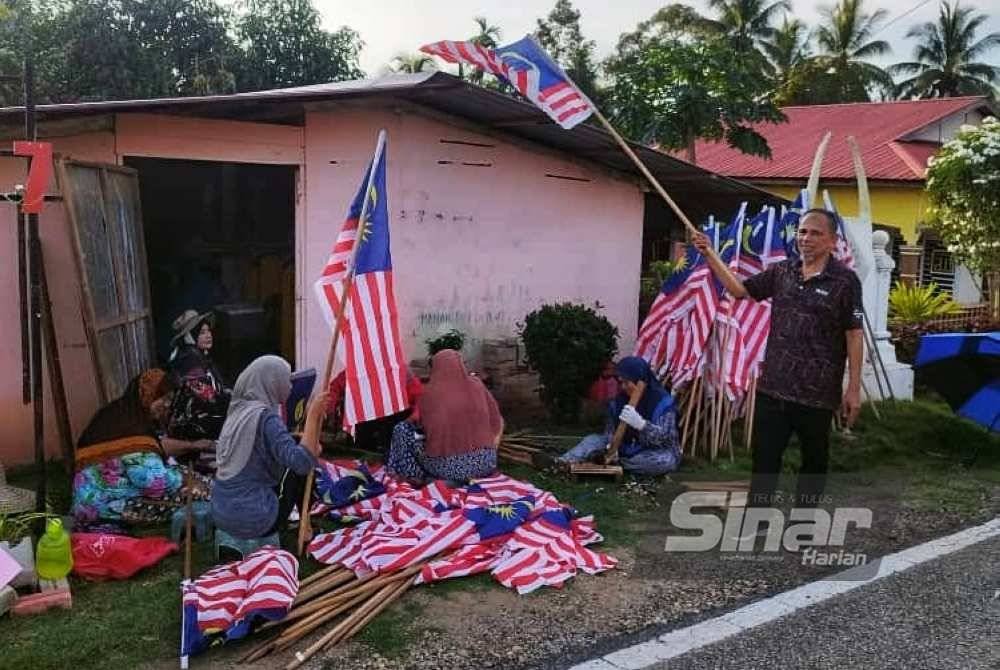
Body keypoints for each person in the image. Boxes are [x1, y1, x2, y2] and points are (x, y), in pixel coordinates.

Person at [692, 208, 864, 509]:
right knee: (765, 460)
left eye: (815, 233)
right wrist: (709, 254)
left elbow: (854, 333)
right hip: (773, 387)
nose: (806, 238)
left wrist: (853, 389)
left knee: (813, 461)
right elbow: (740, 290)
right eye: (802, 232)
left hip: (818, 394)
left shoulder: (846, 282)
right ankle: (758, 519)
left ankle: (804, 521)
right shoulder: (783, 271)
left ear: (832, 241)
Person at [72, 369, 213, 527]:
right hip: (103, 507)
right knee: (194, 494)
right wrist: (186, 480)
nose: (167, 405)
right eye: (164, 399)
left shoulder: (120, 413)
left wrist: (186, 472)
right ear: (148, 396)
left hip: (93, 497)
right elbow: (154, 484)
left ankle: (216, 490)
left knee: (192, 477)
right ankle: (220, 500)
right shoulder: (131, 428)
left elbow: (153, 454)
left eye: (170, 400)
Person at [210, 355, 329, 543]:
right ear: (272, 382)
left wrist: (296, 439)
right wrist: (313, 415)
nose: (290, 386)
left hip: (221, 513)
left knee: (297, 450)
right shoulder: (266, 417)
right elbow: (302, 462)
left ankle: (304, 524)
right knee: (304, 468)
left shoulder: (238, 411)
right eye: (286, 380)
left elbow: (262, 444)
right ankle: (305, 527)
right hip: (255, 520)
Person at [387, 349, 503, 483]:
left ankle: (415, 476)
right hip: (486, 464)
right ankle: (460, 477)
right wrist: (491, 449)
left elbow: (423, 429)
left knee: (402, 429)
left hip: (446, 468)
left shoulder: (428, 394)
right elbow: (498, 421)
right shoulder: (477, 385)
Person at [557, 356, 682, 476]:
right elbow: (610, 431)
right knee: (593, 440)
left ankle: (619, 464)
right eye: (621, 382)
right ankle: (561, 462)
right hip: (624, 448)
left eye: (627, 383)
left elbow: (665, 439)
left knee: (664, 460)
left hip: (651, 451)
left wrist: (641, 424)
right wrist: (611, 445)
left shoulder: (663, 403)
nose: (623, 387)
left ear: (639, 380)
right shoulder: (618, 401)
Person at [169, 309, 227, 390]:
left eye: (208, 331)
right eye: (202, 332)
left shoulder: (201, 355)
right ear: (191, 336)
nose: (208, 336)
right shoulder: (189, 358)